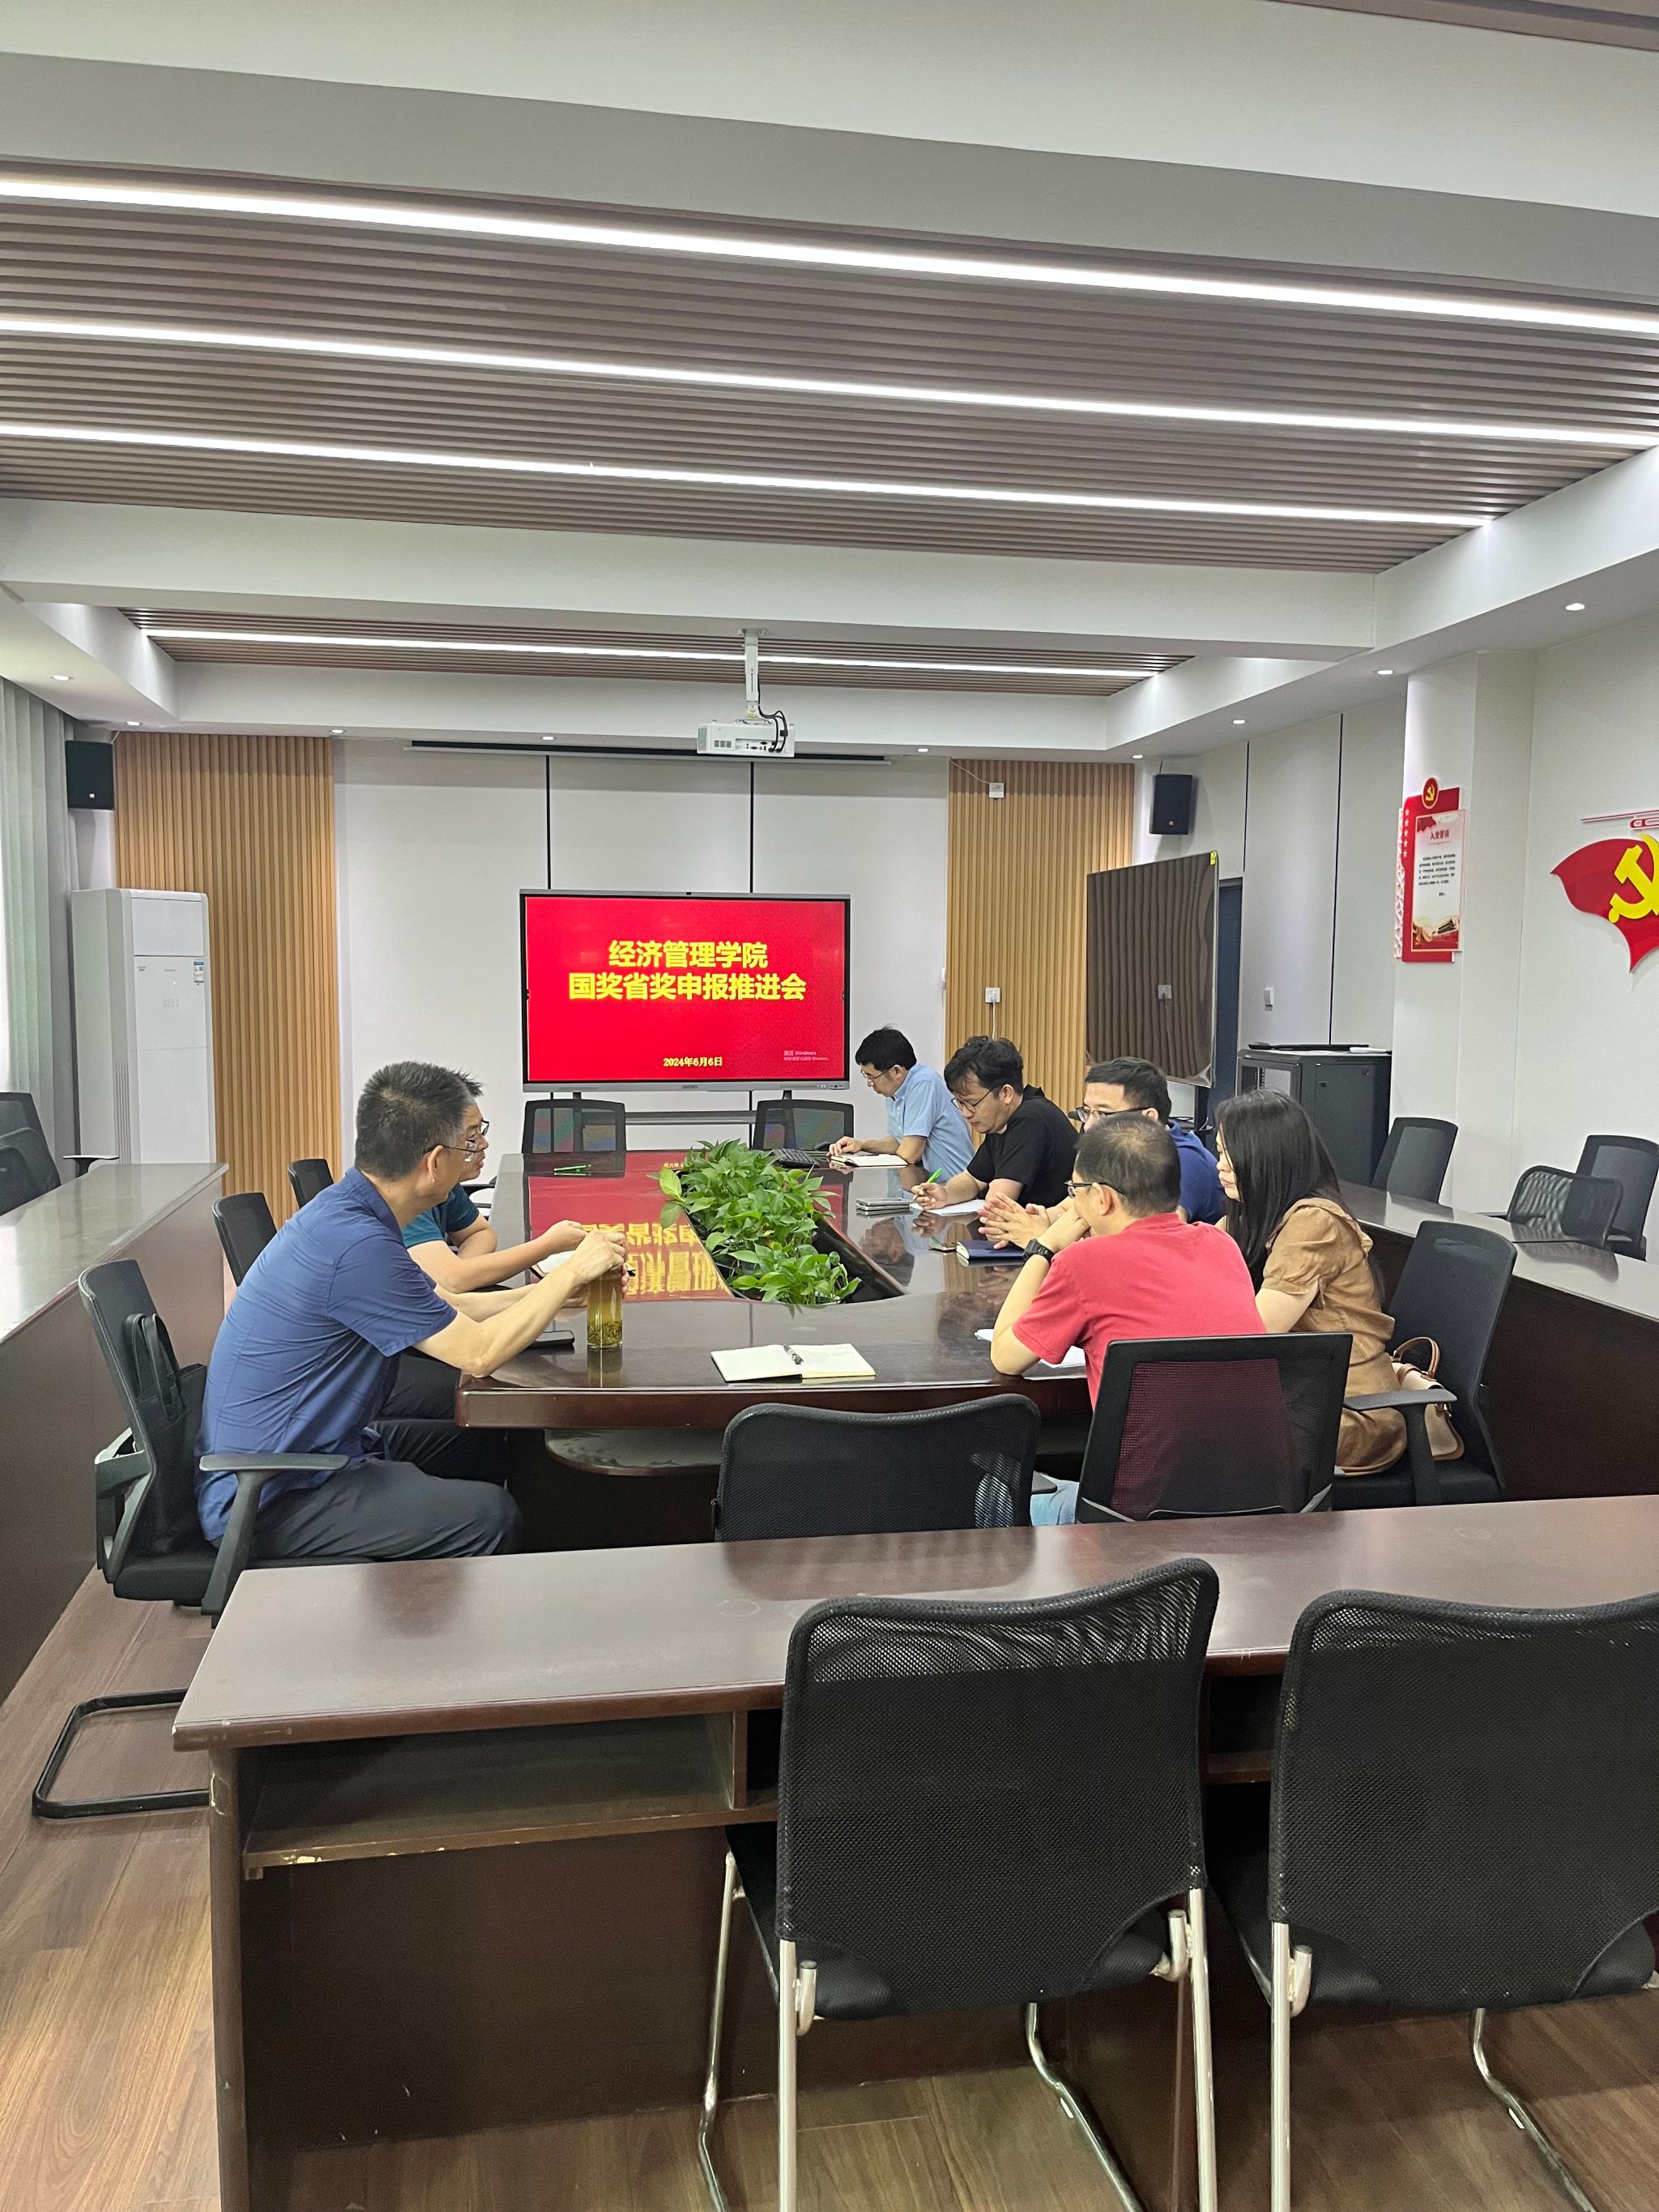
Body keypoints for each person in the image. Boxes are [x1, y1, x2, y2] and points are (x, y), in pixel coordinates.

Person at [198, 1061, 626, 1562]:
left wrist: (551, 1295)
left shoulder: (352, 1212)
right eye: (471, 1141)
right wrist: (568, 1275)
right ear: (435, 1162)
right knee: (490, 1516)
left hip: (318, 1450)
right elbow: (479, 1354)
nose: (478, 1149)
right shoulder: (356, 1245)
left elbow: (448, 1305)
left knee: (486, 1443)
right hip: (271, 1494)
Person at [988, 1114, 1262, 1522]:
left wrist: (1043, 1248)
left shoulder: (1085, 1262)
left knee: (985, 1493)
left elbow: (1005, 1356)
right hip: (1251, 1505)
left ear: (1101, 1198)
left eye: (1075, 1191)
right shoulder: (1221, 1244)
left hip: (1134, 1520)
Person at [1214, 1088, 1405, 1476]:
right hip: (1293, 1395)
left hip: (1349, 1412)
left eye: (1230, 1155)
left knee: (1189, 1429)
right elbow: (1190, 1261)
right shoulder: (1252, 1217)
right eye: (1219, 1152)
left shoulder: (1314, 1222)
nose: (1220, 1166)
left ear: (1266, 1155)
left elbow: (1257, 1330)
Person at [981, 1055, 1225, 1247]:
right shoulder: (1113, 1152)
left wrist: (1043, 1240)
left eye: (1104, 1113)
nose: (1088, 1126)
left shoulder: (1183, 1161)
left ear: (1148, 1118)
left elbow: (1151, 1244)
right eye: (1087, 1111)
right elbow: (1071, 1208)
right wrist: (1027, 1221)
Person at [402, 1085, 591, 1291]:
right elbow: (450, 1282)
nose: (484, 1144)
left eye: (481, 1131)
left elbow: (480, 1233)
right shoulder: (404, 1198)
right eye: (472, 1138)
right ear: (436, 1157)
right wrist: (549, 1244)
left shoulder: (443, 1181)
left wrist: (463, 1272)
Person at [915, 1036, 1077, 1213]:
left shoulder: (1031, 1119)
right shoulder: (1001, 1120)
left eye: (972, 1103)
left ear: (1006, 1093)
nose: (965, 1113)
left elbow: (997, 1202)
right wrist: (945, 1194)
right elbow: (973, 1180)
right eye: (961, 1103)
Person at [827, 1027, 973, 1185]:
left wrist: (869, 1160)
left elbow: (910, 1154)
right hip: (928, 1186)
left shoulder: (924, 1083)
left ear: (896, 1071)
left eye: (872, 1077)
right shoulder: (895, 1091)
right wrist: (861, 1145)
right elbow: (899, 1142)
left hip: (957, 1187)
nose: (870, 1084)